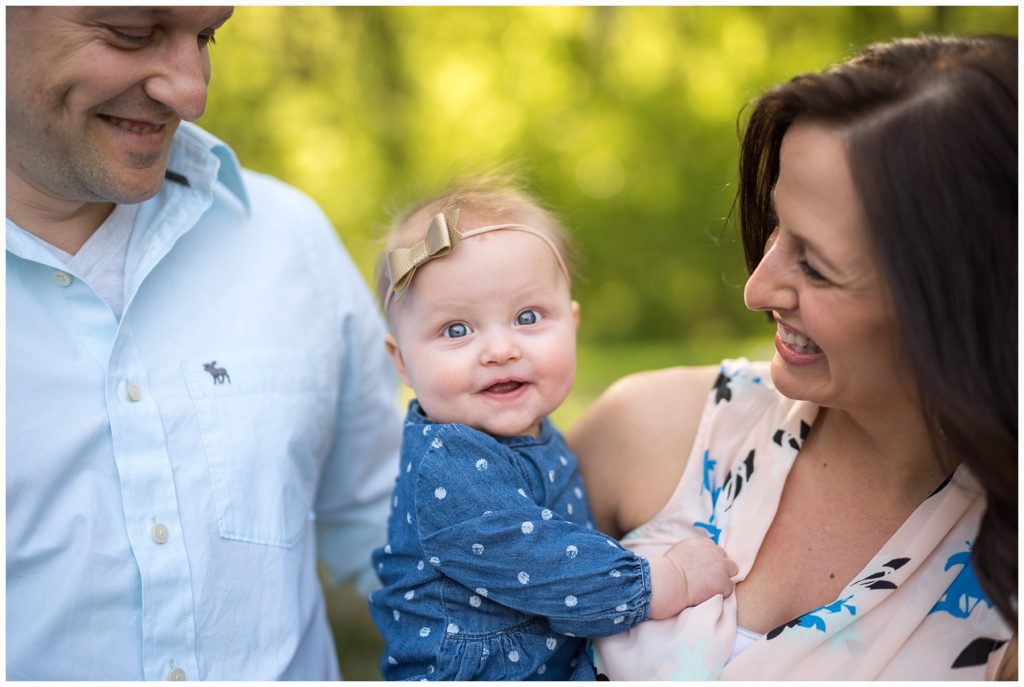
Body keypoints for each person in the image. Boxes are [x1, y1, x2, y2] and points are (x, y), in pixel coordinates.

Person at [568, 34, 1017, 680]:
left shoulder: (1005, 598)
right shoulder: (650, 433)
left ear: (962, 297)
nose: (757, 289)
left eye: (815, 264)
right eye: (777, 226)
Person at [6, 6, 402, 680]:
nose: (191, 94)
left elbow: (400, 534)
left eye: (207, 36)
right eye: (133, 34)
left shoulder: (287, 238)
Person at [367, 180, 738, 680]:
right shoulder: (448, 465)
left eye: (527, 317)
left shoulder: (524, 431)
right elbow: (544, 562)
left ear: (572, 324)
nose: (500, 350)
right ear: (402, 361)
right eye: (457, 329)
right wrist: (662, 581)